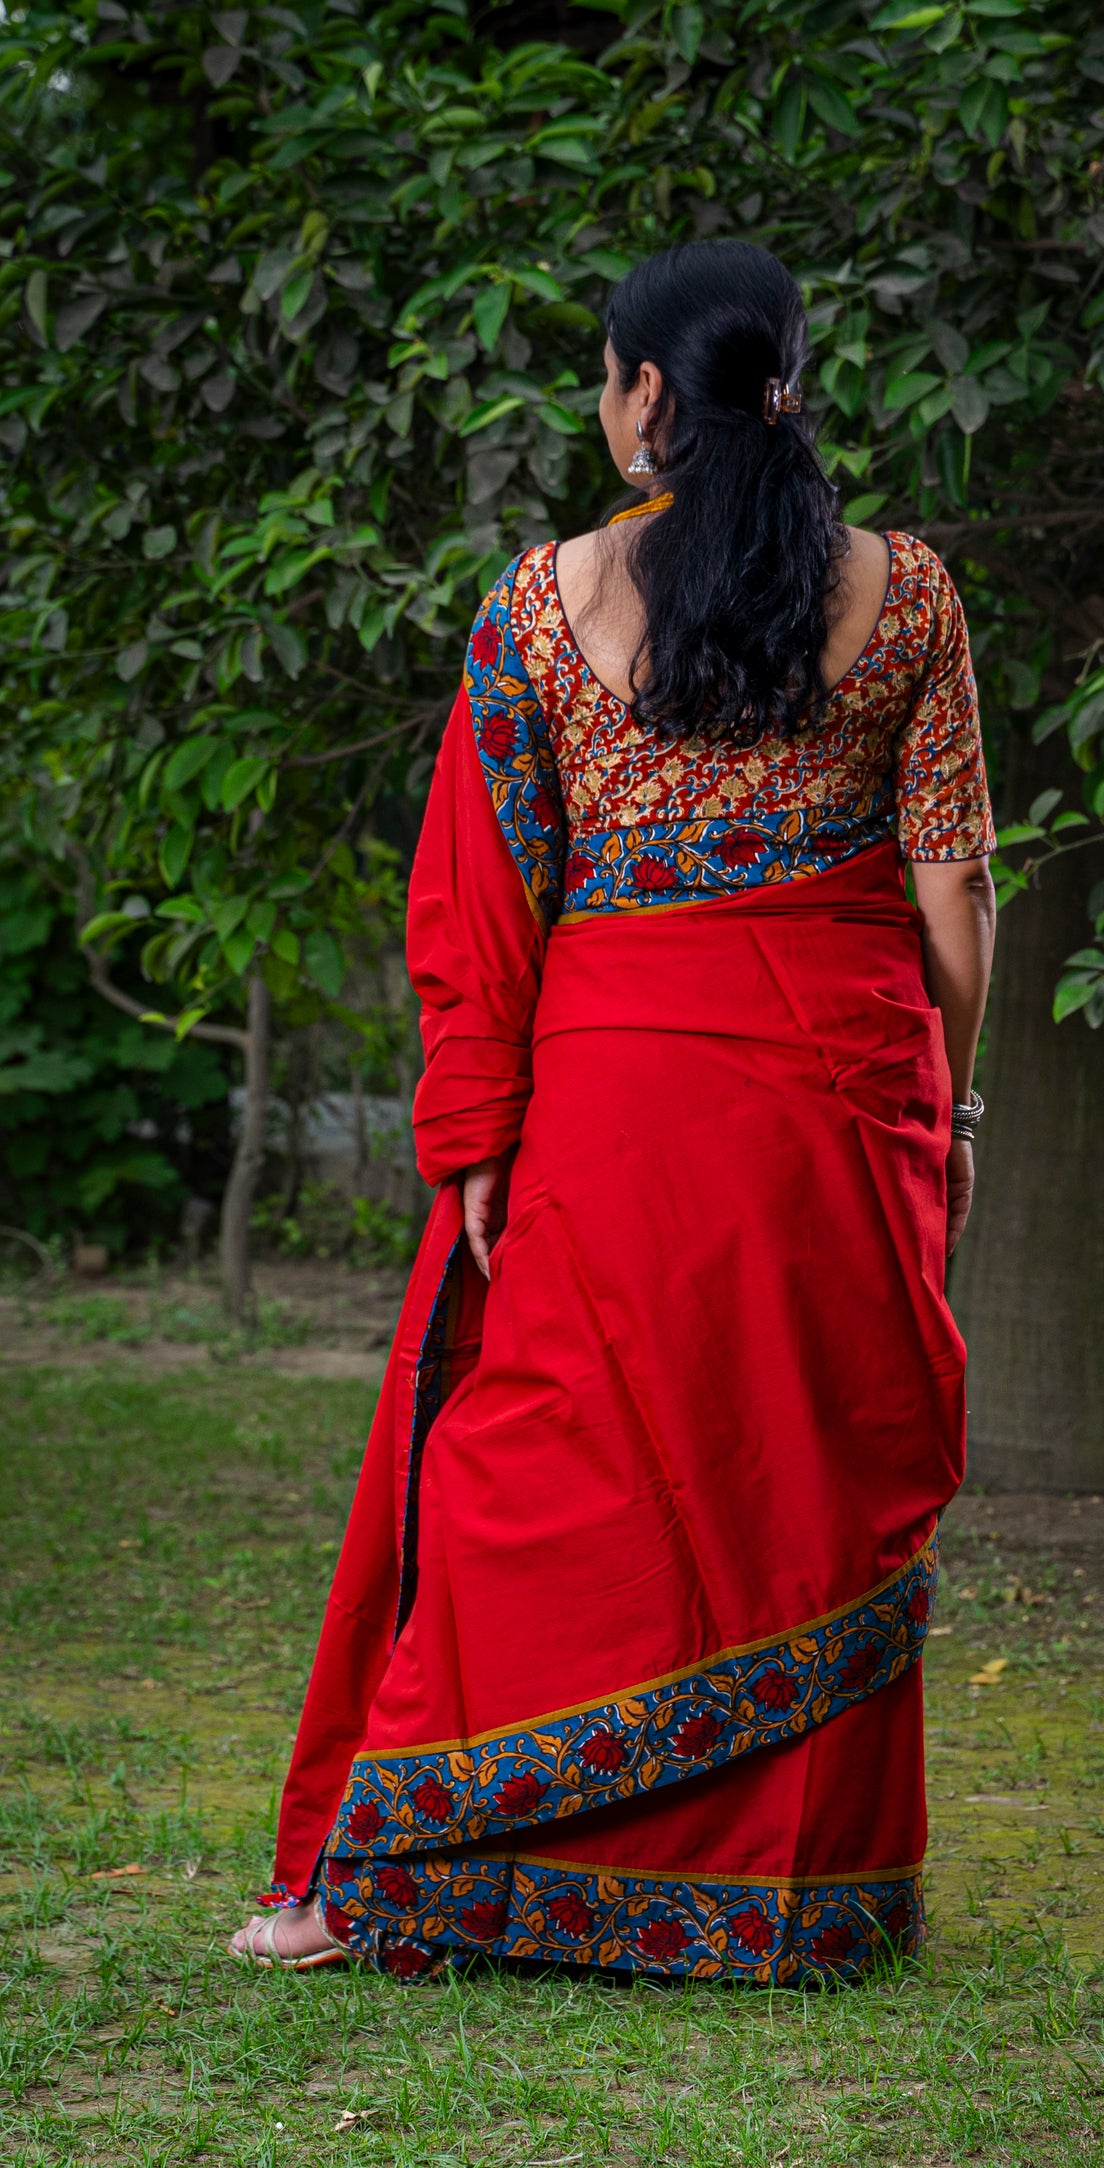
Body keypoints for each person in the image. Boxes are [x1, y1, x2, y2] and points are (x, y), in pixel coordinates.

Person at [229, 238, 995, 1985]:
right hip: (839, 1089)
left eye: (603, 374)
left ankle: (432, 1868)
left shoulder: (539, 604)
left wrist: (475, 1135)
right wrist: (951, 1104)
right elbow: (953, 892)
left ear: (647, 391)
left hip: (615, 1094)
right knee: (799, 1463)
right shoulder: (911, 594)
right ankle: (799, 1897)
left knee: (544, 1464)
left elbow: (482, 899)